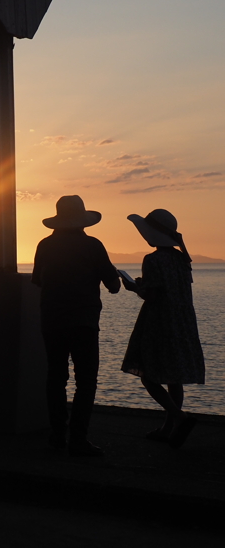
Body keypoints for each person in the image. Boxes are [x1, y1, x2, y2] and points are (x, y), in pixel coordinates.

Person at [31, 195, 121, 457]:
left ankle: (57, 435)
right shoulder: (93, 246)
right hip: (84, 321)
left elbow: (37, 281)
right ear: (83, 220)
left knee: (56, 378)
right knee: (86, 380)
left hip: (52, 319)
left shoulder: (44, 245)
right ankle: (78, 439)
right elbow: (113, 287)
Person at [120, 209, 205, 448]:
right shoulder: (181, 259)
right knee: (173, 376)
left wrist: (134, 288)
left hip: (159, 321)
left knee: (149, 374)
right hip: (182, 320)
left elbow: (153, 294)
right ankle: (169, 427)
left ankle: (179, 418)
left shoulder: (153, 259)